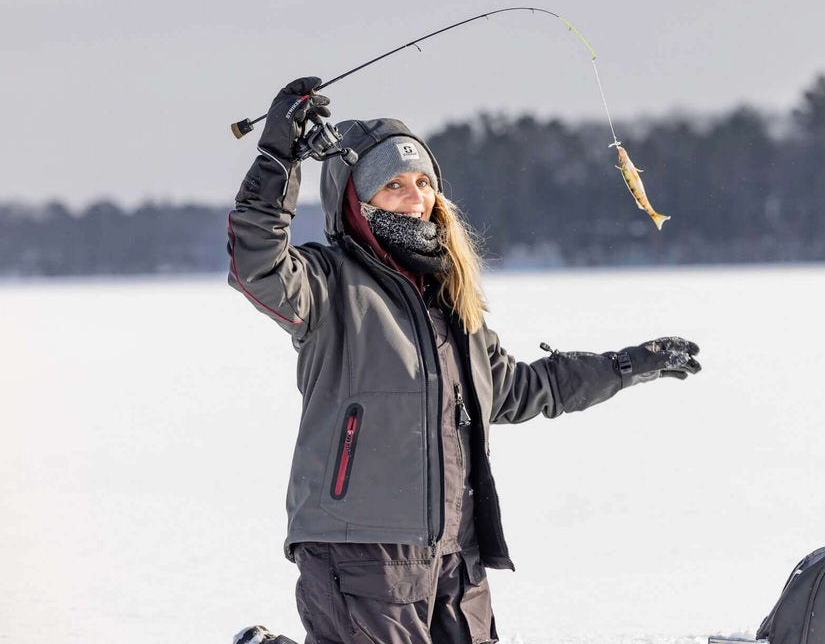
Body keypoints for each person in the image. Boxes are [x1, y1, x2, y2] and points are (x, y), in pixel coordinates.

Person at [228, 78, 702, 644]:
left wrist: (624, 366)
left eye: (423, 181)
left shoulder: (450, 298)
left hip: (455, 551)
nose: (415, 195)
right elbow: (256, 263)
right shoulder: (328, 286)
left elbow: (519, 390)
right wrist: (277, 156)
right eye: (393, 185)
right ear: (356, 200)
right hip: (362, 548)